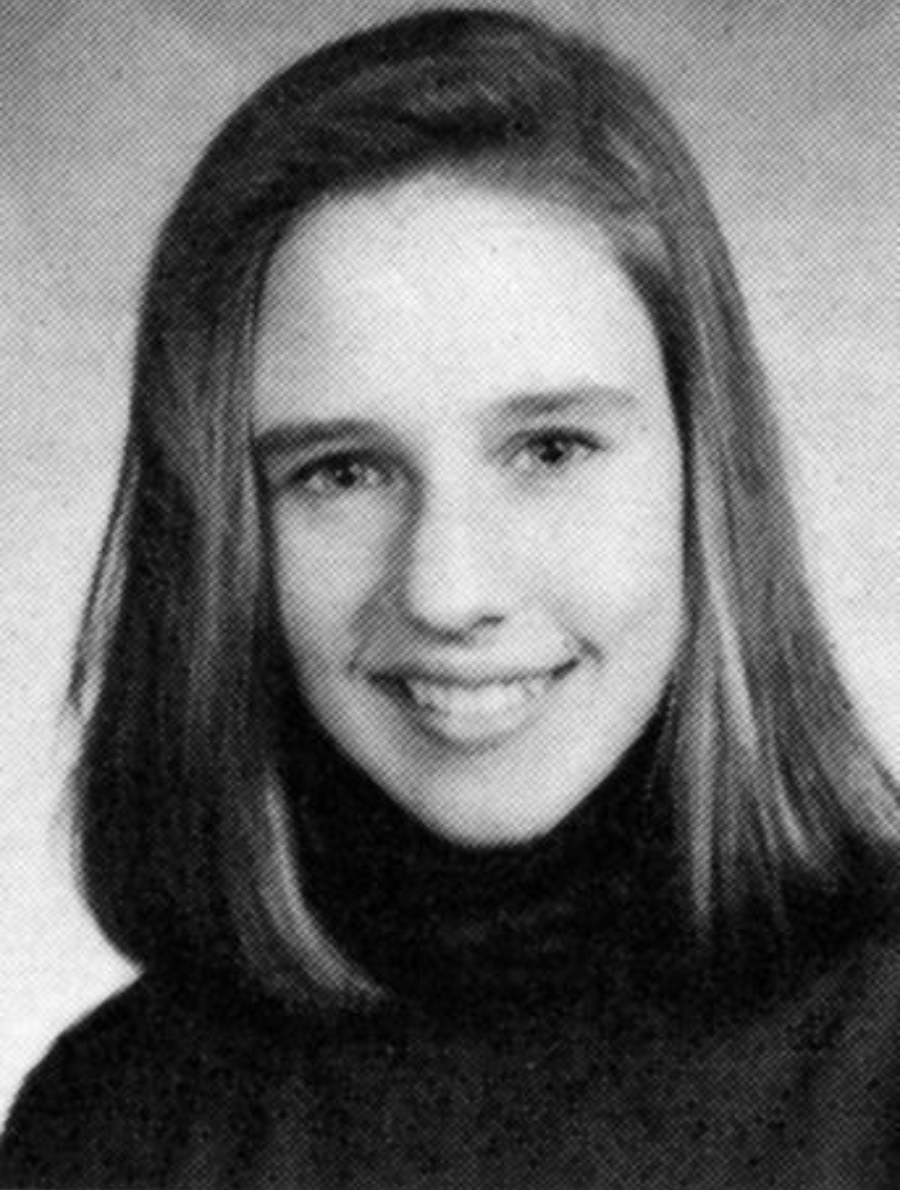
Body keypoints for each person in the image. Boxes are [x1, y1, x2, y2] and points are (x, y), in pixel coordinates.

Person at [2, 7, 899, 1187]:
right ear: (221, 533)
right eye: (343, 472)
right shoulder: (108, 1122)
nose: (448, 587)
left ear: (707, 478)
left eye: (551, 448)